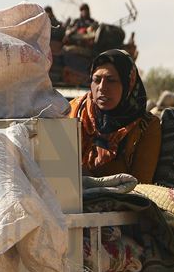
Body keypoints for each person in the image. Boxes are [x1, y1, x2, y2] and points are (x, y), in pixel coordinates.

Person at [69, 49, 161, 183]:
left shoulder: (145, 127)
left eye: (111, 80)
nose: (102, 87)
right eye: (96, 80)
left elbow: (141, 183)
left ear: (128, 83)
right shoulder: (73, 111)